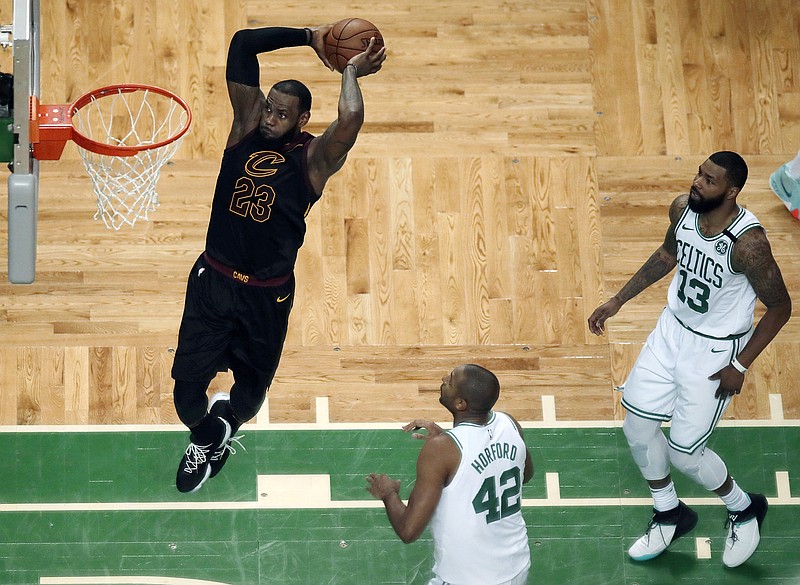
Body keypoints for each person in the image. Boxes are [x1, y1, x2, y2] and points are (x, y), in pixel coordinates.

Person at [171, 24, 386, 493]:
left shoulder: (312, 160)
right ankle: (210, 435)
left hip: (266, 295)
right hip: (213, 281)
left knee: (249, 398)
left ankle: (229, 421)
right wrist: (310, 36)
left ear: (303, 119)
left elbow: (349, 121)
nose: (270, 117)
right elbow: (243, 44)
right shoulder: (245, 126)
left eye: (283, 113)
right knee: (185, 398)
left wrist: (349, 70)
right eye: (269, 106)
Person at [588, 151, 791, 568]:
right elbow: (667, 255)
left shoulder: (748, 244)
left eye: (710, 180)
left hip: (715, 352)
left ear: (731, 192)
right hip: (670, 334)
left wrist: (740, 365)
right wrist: (618, 300)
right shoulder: (682, 209)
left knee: (685, 453)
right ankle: (670, 512)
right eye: (699, 174)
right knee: (638, 427)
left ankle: (744, 506)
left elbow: (780, 307)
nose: (698, 183)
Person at [366, 364, 534, 585]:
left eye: (451, 380)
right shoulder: (509, 423)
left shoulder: (440, 450)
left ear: (460, 404)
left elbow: (408, 530)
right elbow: (525, 474)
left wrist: (388, 494)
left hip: (470, 580)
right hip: (517, 567)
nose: (444, 378)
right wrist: (448, 442)